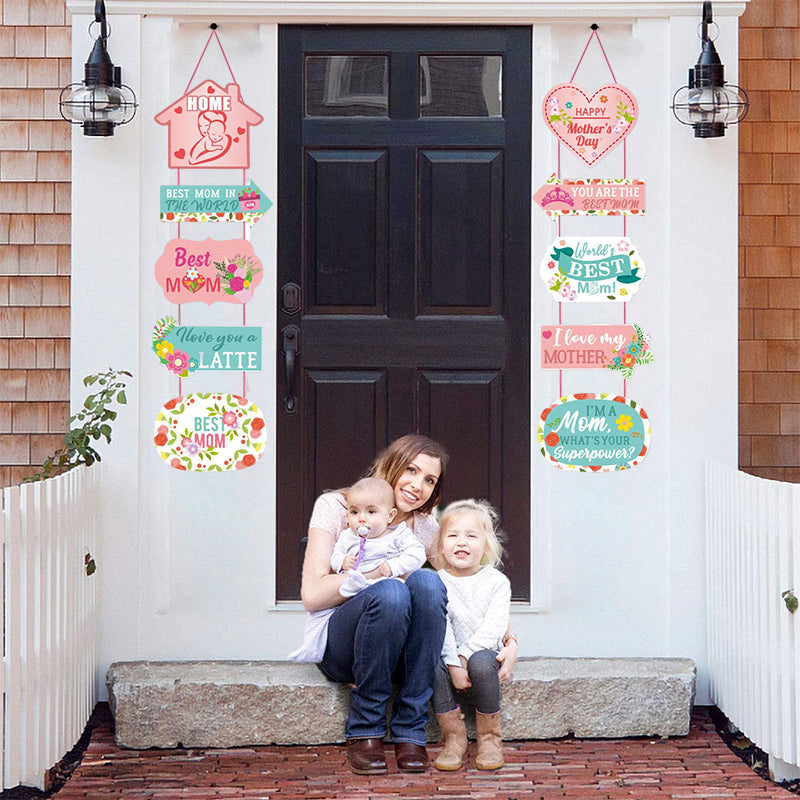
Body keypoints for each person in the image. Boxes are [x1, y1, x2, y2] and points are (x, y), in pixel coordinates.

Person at [299, 434, 519, 775]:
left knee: (429, 582)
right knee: (393, 592)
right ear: (391, 465)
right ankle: (365, 729)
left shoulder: (424, 526)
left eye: (429, 479)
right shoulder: (337, 507)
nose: (418, 485)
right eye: (411, 470)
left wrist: (509, 639)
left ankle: (410, 730)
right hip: (343, 646)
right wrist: (379, 576)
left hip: (398, 652)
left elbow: (465, 581)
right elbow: (312, 595)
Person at [288, 477, 426, 661]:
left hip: (389, 595)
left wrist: (394, 565)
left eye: (371, 512)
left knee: (397, 591)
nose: (361, 518)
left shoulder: (398, 535)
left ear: (390, 516)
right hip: (356, 599)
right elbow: (335, 556)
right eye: (354, 512)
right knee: (376, 590)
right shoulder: (348, 536)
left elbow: (417, 554)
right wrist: (342, 562)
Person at [432, 499, 511, 772]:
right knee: (432, 665)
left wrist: (465, 656)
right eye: (453, 536)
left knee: (479, 661)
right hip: (449, 653)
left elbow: (495, 626)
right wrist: (453, 663)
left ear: (486, 546)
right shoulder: (438, 581)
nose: (461, 542)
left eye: (471, 536)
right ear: (442, 546)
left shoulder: (497, 582)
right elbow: (440, 628)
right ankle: (454, 737)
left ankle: (489, 739)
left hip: (484, 652)